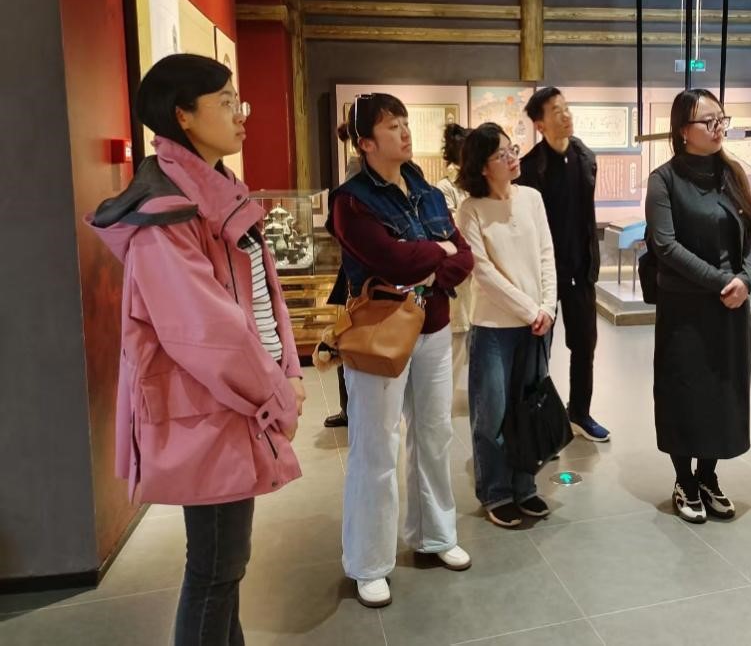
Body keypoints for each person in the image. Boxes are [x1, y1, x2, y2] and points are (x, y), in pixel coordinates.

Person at [88, 53, 306, 645]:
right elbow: (206, 332)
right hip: (209, 408)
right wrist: (275, 392)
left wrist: (287, 368)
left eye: (239, 101)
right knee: (215, 570)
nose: (240, 115)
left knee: (224, 569)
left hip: (232, 404)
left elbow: (263, 296)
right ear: (182, 115)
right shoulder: (165, 210)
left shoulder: (217, 189)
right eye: (226, 103)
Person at [327, 93, 474, 608]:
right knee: (376, 447)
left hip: (433, 326)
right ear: (365, 142)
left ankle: (436, 534)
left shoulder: (427, 191)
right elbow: (390, 260)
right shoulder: (351, 201)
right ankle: (369, 561)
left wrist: (430, 262)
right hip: (380, 334)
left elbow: (465, 257)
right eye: (392, 125)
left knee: (435, 434)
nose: (405, 131)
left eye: (405, 122)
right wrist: (437, 255)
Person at [644, 88, 751, 524]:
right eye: (708, 121)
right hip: (685, 308)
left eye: (721, 119)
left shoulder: (733, 173)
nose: (718, 128)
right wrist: (722, 281)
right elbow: (666, 246)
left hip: (731, 306)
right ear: (682, 131)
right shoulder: (664, 180)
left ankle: (708, 476)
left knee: (723, 392)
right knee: (684, 391)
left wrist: (746, 278)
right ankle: (684, 481)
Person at [457, 123, 557, 528]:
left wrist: (547, 306)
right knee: (492, 414)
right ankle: (496, 492)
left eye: (512, 149)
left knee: (528, 409)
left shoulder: (532, 198)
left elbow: (547, 254)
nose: (513, 157)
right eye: (501, 154)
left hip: (538, 323)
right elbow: (483, 273)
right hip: (494, 327)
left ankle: (525, 486)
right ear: (483, 167)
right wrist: (530, 310)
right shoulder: (470, 210)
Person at [517, 87, 609, 442]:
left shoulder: (585, 157)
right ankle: (536, 422)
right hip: (544, 275)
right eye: (556, 111)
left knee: (585, 344)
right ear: (540, 124)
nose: (566, 115)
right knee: (538, 349)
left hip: (581, 270)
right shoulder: (530, 169)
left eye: (566, 108)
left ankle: (579, 413)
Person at [322, 140, 363, 429]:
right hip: (354, 274)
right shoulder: (358, 168)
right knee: (346, 340)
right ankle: (349, 409)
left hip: (365, 279)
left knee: (350, 341)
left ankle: (351, 409)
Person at [435, 123, 475, 395]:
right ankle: (443, 398)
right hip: (459, 273)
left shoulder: (474, 183)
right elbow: (452, 231)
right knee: (457, 337)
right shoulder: (445, 187)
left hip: (477, 273)